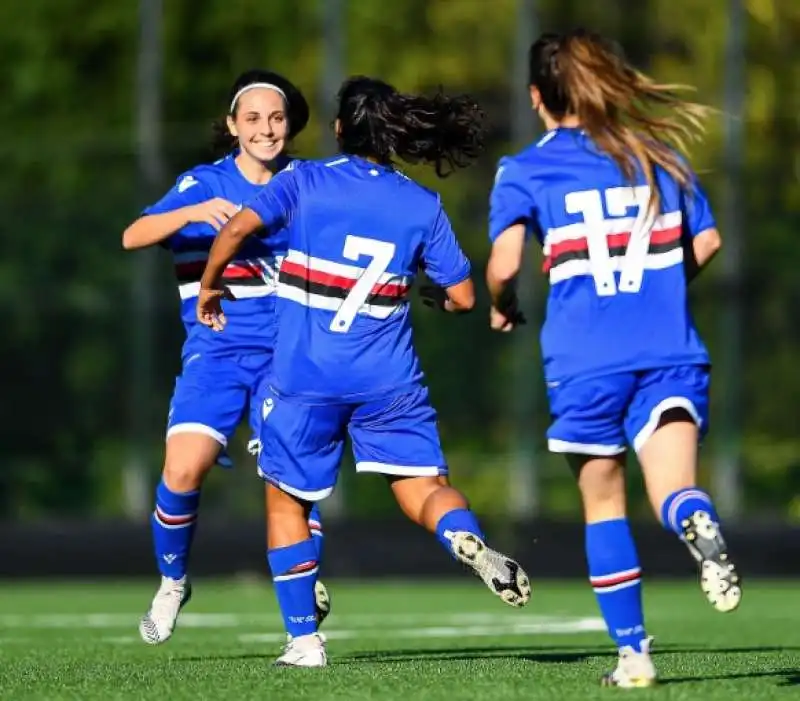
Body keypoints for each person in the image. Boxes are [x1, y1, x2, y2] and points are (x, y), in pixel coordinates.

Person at [197, 75, 532, 667]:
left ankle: (305, 641)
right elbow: (462, 297)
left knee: (286, 501)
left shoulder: (302, 180)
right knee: (422, 488)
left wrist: (209, 285)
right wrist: (425, 295)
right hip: (388, 380)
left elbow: (237, 228)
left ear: (339, 129)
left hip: (306, 380)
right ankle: (463, 537)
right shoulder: (420, 204)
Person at [485, 30, 741, 688]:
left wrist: (502, 301)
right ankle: (694, 517)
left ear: (537, 97)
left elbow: (505, 264)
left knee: (604, 505)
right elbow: (707, 241)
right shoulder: (655, 151)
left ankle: (634, 656)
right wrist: (656, 290)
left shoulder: (527, 167)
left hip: (584, 360)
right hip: (670, 351)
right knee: (672, 487)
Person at [121, 70, 330, 645]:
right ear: (233, 126)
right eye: (254, 118)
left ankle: (305, 593)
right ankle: (172, 581)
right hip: (215, 353)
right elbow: (133, 236)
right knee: (184, 468)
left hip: (289, 356)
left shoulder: (307, 184)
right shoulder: (202, 183)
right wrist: (190, 214)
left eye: (278, 117)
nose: (267, 129)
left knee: (288, 481)